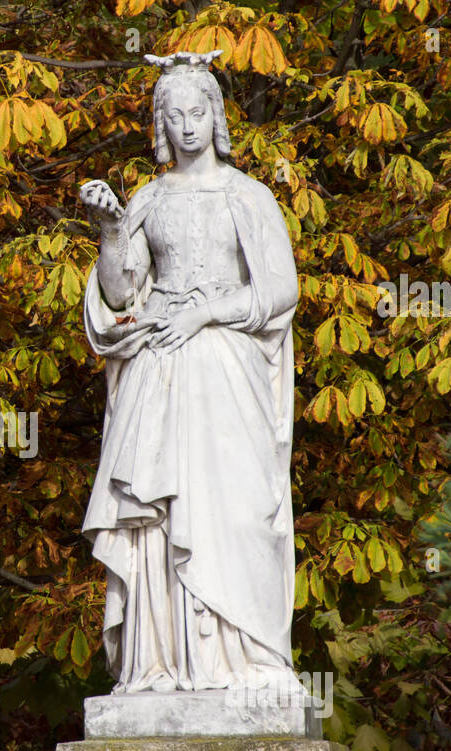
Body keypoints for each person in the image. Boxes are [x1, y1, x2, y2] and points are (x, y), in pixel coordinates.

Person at [78, 51, 301, 695]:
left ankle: (248, 657)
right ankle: (163, 662)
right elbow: (120, 296)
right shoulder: (148, 198)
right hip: (161, 365)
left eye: (197, 111)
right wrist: (111, 231)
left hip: (227, 370)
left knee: (235, 509)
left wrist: (207, 310)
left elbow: (280, 289)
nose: (186, 125)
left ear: (216, 114)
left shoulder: (249, 197)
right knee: (154, 515)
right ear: (161, 124)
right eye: (173, 115)